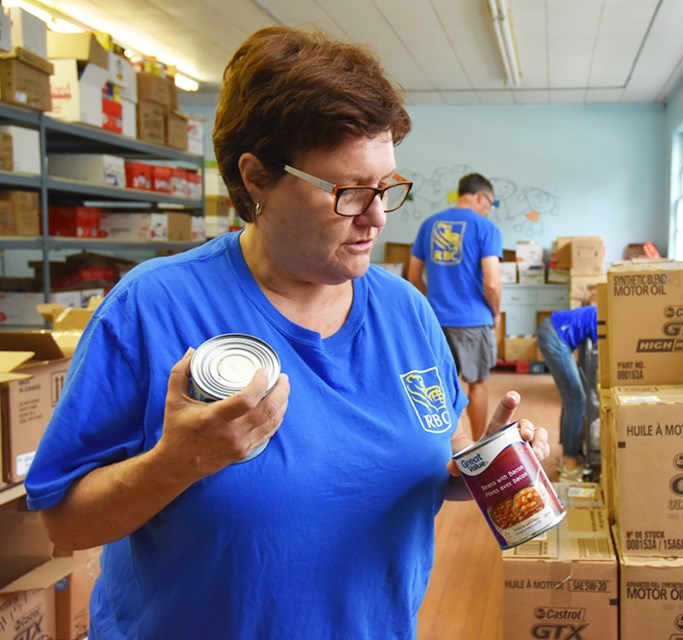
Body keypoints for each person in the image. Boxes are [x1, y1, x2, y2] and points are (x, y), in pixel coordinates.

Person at [24, 27, 550, 640]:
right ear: (257, 179)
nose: (377, 215)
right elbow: (63, 523)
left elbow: (435, 469)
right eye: (350, 191)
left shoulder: (406, 312)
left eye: (387, 188)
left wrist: (488, 466)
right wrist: (175, 465)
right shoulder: (154, 305)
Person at [407, 173, 503, 441]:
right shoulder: (486, 228)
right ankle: (477, 444)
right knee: (478, 384)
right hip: (474, 321)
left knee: (440, 386)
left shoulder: (429, 224)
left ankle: (445, 445)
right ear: (482, 197)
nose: (489, 210)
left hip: (436, 320)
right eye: (490, 203)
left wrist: (433, 302)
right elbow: (492, 283)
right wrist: (494, 312)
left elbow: (413, 275)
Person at [536, 291, 598, 480]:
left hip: (551, 329)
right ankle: (570, 461)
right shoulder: (602, 319)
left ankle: (568, 450)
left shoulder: (600, 311)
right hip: (555, 336)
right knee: (577, 399)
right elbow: (602, 358)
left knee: (572, 398)